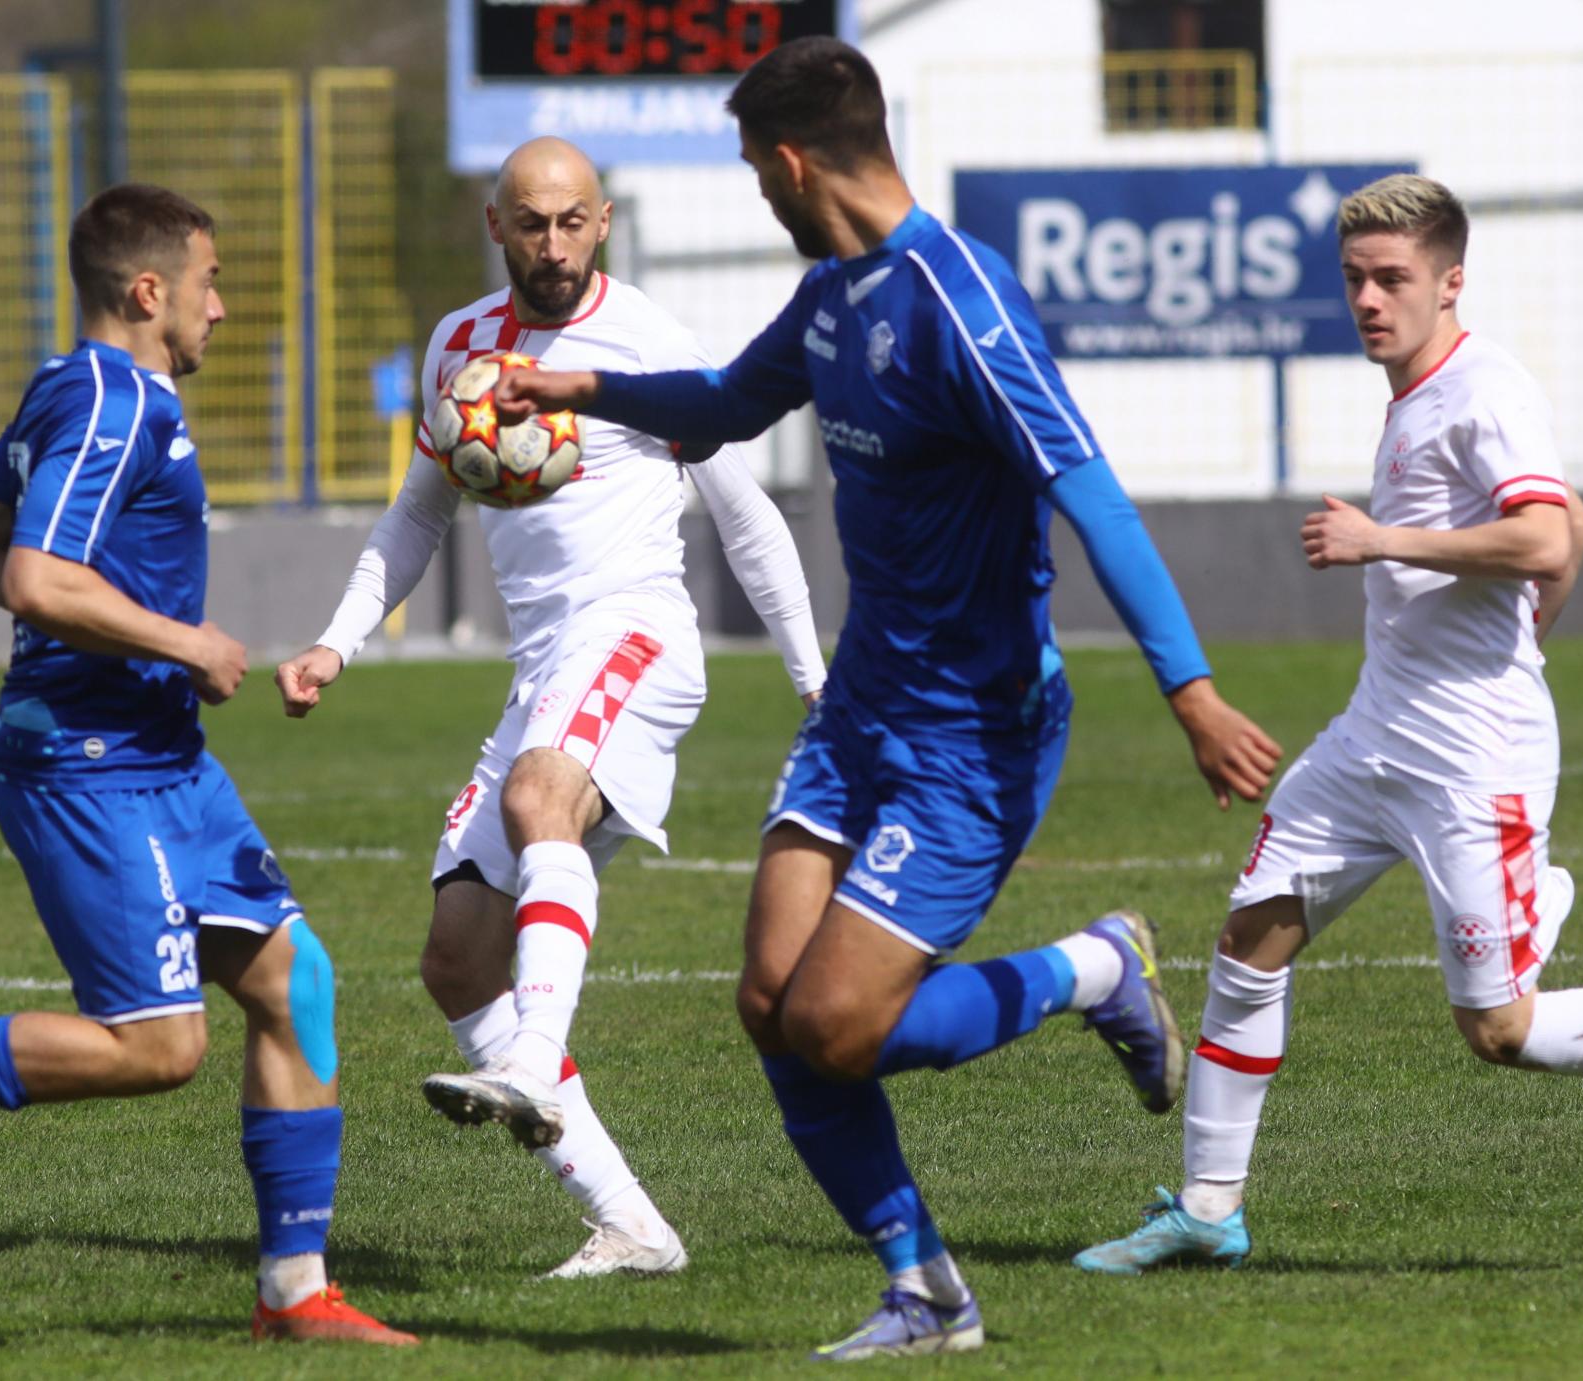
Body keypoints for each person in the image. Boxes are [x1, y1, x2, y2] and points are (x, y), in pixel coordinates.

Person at [493, 39, 1279, 1359]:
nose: (760, 194)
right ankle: (925, 1290)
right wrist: (583, 387)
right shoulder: (834, 297)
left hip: (973, 734)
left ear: (797, 161)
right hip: (862, 708)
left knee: (838, 1025)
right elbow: (729, 405)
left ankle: (1091, 970)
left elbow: (1094, 500)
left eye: (758, 172)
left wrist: (1190, 691)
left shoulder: (962, 305)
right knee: (768, 1005)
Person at [0, 184, 413, 1347]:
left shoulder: (81, 385)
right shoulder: (115, 401)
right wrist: (184, 641)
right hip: (88, 766)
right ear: (149, 291)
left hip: (161, 755)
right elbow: (29, 575)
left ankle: (294, 1294)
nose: (220, 307)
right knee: (157, 1045)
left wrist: (111, 645)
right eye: (210, 282)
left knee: (296, 985)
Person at [1073, 173, 1583, 1276]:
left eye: (1392, 279)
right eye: (1356, 279)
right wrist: (1518, 634)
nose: (1369, 300)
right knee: (1250, 936)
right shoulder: (1416, 391)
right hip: (1376, 734)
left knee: (1500, 1034)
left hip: (1472, 758)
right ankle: (1208, 1209)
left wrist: (1381, 544)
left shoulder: (1481, 389)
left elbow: (1549, 536)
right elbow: (1581, 523)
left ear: (1450, 281)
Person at [275, 137, 827, 1279]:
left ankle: (533, 1058)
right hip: (543, 668)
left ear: (606, 221)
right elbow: (417, 514)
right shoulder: (459, 348)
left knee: (540, 800)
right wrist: (338, 639)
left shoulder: (652, 342)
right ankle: (633, 1223)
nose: (555, 243)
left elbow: (747, 518)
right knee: (457, 956)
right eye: (533, 222)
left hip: (638, 634)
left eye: (574, 221)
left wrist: (817, 684)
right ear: (497, 226)